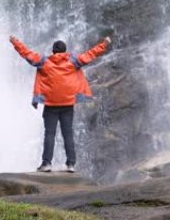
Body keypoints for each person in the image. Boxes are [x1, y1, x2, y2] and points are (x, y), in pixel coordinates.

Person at [10, 35, 111, 173]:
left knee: (49, 134)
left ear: (53, 51)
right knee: (68, 134)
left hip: (51, 104)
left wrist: (15, 42)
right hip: (67, 104)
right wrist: (104, 44)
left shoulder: (44, 62)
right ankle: (71, 164)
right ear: (65, 51)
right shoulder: (73, 61)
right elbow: (90, 55)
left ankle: (46, 163)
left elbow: (26, 53)